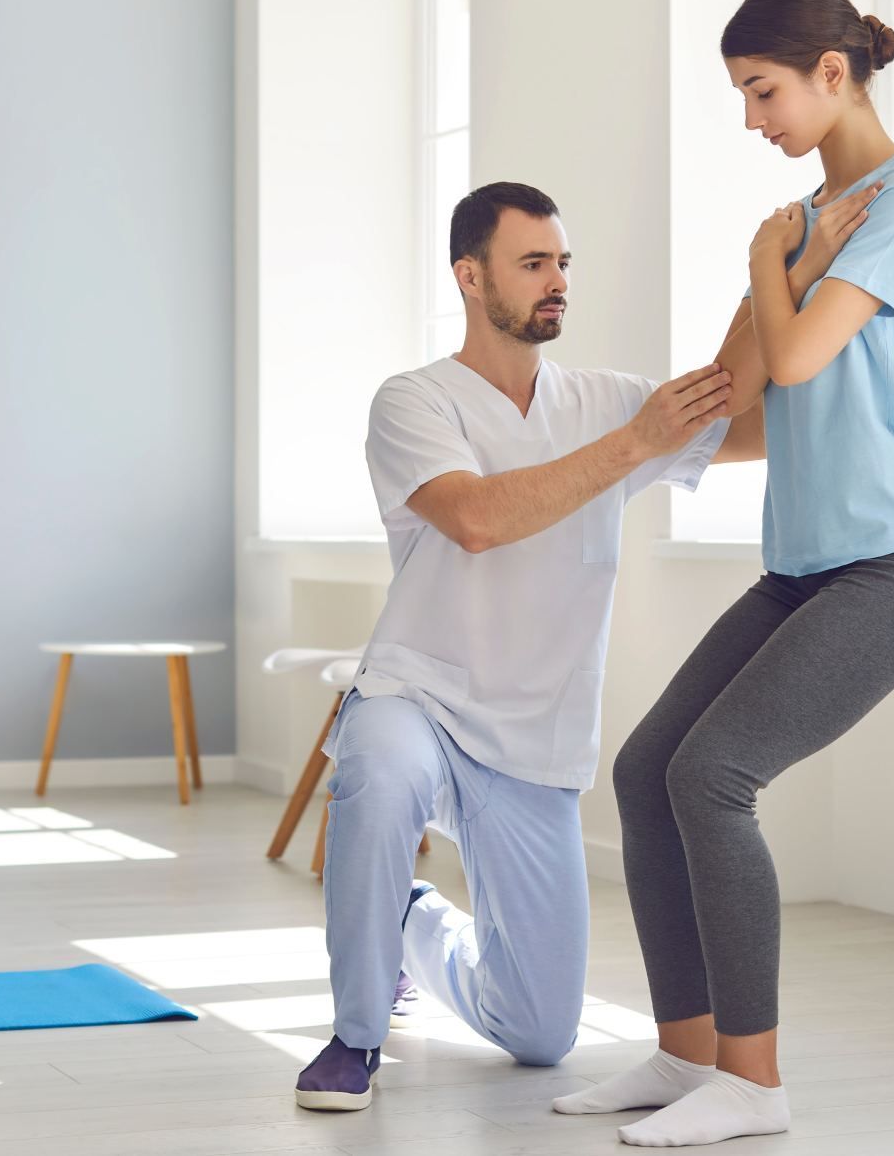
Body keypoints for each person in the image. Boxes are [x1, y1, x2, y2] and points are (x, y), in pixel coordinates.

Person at [552, 0, 894, 1146]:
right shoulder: (807, 221)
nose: (754, 119)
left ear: (833, 74)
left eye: (763, 90)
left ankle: (756, 1078)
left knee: (713, 775)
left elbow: (794, 364)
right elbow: (739, 382)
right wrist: (778, 255)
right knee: (646, 769)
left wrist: (765, 260)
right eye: (743, 94)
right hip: (804, 565)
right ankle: (687, 1057)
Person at [294, 180, 794, 1111]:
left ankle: (410, 923)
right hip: (421, 695)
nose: (557, 280)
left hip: (534, 738)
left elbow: (741, 416)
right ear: (470, 276)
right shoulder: (412, 402)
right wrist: (635, 443)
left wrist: (771, 278)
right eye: (534, 263)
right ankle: (354, 1036)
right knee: (380, 774)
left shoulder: (606, 399)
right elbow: (478, 519)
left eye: (563, 262)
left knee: (541, 1034)